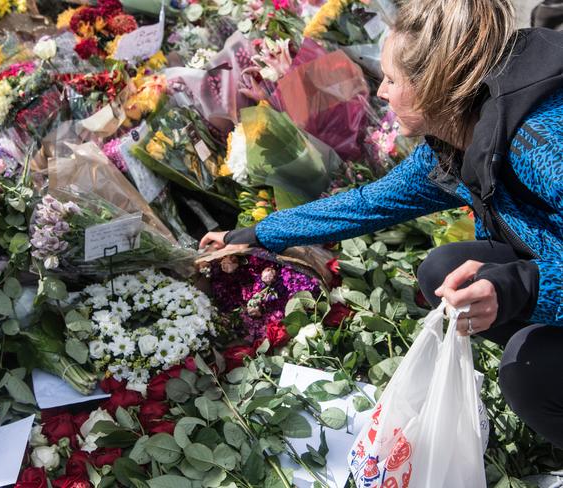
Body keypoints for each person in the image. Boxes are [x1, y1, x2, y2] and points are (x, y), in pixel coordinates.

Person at [200, 0, 563, 448]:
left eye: (392, 79)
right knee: (442, 270)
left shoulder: (542, 147)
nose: (380, 92)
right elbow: (369, 203)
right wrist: (254, 235)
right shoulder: (458, 139)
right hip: (551, 258)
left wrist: (519, 288)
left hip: (548, 269)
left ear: (436, 84)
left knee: (527, 372)